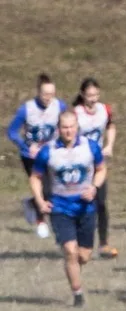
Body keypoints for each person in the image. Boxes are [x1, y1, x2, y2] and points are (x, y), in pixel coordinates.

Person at [28, 111, 105, 306]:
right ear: (58, 129)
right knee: (70, 251)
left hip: (86, 207)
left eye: (71, 126)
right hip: (60, 207)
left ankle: (73, 268)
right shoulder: (48, 151)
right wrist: (39, 201)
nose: (68, 131)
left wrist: (94, 187)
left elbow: (102, 169)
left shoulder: (90, 147)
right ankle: (78, 294)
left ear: (77, 127)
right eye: (64, 127)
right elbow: (35, 177)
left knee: (83, 256)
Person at [11, 74, 64, 239]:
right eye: (45, 94)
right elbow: (12, 132)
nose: (49, 98)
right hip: (30, 157)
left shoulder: (60, 106)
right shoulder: (26, 109)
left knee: (53, 189)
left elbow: (67, 126)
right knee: (42, 189)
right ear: (38, 92)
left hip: (50, 154)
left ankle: (31, 203)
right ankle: (41, 221)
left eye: (52, 94)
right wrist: (26, 146)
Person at [71, 78, 117, 258]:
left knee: (101, 203)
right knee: (80, 203)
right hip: (79, 165)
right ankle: (74, 241)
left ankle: (104, 243)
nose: (93, 98)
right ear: (82, 95)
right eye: (90, 95)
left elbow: (111, 125)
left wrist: (110, 145)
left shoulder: (104, 110)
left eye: (96, 95)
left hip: (97, 164)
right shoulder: (76, 113)